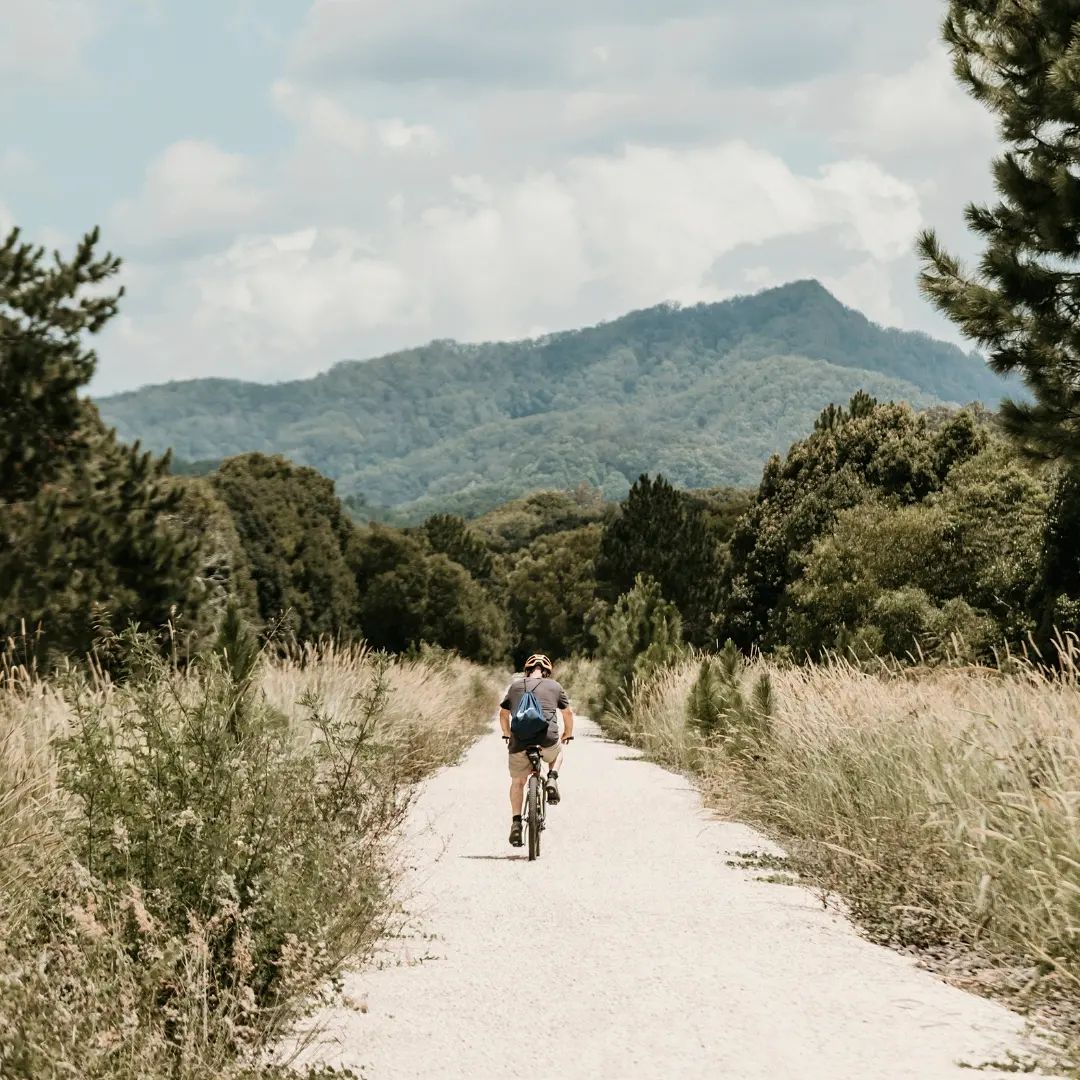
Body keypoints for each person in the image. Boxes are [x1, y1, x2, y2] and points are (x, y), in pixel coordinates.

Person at [499, 652, 574, 848]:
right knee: (558, 752)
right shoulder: (555, 686)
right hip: (546, 740)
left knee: (517, 782)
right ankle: (552, 777)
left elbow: (503, 714)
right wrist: (567, 733)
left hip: (519, 742)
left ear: (527, 670)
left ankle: (516, 822)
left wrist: (507, 734)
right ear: (547, 672)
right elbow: (567, 713)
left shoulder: (515, 686)